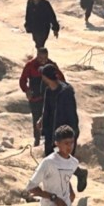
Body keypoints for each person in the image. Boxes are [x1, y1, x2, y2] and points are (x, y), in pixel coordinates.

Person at [38, 64, 88, 192]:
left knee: (63, 162)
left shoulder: (66, 92)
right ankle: (71, 179)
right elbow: (47, 110)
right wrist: (41, 121)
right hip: (51, 131)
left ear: (47, 77)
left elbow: (71, 114)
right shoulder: (49, 90)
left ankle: (66, 188)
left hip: (65, 133)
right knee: (51, 159)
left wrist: (71, 135)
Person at [25, 125, 80, 206]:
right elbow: (31, 187)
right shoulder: (48, 162)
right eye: (66, 143)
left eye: (72, 142)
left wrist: (71, 192)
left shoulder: (74, 162)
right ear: (57, 143)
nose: (70, 146)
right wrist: (54, 198)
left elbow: (65, 178)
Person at [20, 49, 65, 146]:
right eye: (41, 58)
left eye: (45, 58)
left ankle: (50, 139)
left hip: (49, 97)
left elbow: (61, 79)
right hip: (35, 98)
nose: (43, 60)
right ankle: (37, 139)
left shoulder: (51, 65)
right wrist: (27, 90)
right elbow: (23, 80)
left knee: (50, 117)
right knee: (36, 118)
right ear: (37, 56)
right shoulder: (30, 65)